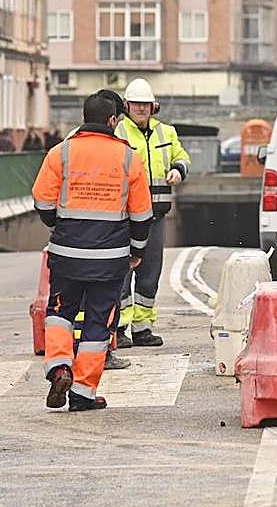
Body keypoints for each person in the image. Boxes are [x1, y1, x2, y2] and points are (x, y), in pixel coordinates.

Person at [31, 91, 153, 412]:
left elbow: (42, 201)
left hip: (67, 254)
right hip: (110, 259)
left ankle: (59, 368)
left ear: (84, 118)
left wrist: (60, 223)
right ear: (113, 121)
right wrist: (136, 250)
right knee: (99, 323)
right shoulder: (128, 157)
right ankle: (83, 393)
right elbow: (142, 215)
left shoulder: (61, 153)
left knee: (60, 313)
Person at [114, 78, 190, 349]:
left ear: (153, 106)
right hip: (124, 218)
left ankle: (143, 329)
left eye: (145, 104)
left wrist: (179, 170)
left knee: (149, 274)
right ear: (127, 106)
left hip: (155, 217)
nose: (141, 109)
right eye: (136, 104)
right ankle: (119, 329)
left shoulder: (166, 133)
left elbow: (182, 156)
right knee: (121, 273)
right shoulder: (117, 134)